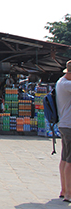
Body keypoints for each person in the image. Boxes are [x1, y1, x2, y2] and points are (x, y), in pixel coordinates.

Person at [57, 60, 71, 201]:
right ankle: (69, 193)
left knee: (65, 158)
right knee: (69, 161)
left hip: (64, 124)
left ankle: (64, 189)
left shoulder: (61, 82)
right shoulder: (67, 84)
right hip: (69, 125)